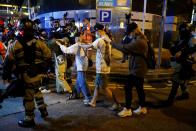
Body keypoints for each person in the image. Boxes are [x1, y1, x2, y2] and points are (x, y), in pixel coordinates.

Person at [2, 18, 52, 127]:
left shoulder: (14, 44)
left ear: (20, 29)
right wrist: (43, 69)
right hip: (39, 75)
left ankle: (29, 118)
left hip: (26, 76)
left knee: (28, 97)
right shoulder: (40, 43)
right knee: (37, 91)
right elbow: (48, 57)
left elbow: (8, 62)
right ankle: (43, 110)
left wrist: (6, 75)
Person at [112, 22, 148, 117]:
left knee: (127, 87)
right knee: (140, 89)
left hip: (137, 69)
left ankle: (128, 109)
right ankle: (142, 107)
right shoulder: (139, 38)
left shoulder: (139, 42)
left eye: (130, 33)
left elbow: (125, 48)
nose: (130, 35)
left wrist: (112, 43)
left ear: (134, 31)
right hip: (139, 68)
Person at [80, 23, 112, 108]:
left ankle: (115, 103)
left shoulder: (100, 40)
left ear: (99, 30)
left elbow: (88, 46)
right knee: (97, 86)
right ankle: (93, 102)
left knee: (104, 88)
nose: (95, 33)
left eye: (95, 31)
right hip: (104, 66)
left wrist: (79, 44)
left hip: (102, 67)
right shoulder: (107, 39)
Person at [165, 22, 196, 106]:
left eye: (181, 30)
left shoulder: (190, 38)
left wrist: (182, 52)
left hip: (184, 63)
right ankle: (185, 94)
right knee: (182, 80)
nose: (180, 32)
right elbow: (178, 45)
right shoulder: (183, 37)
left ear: (185, 29)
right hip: (180, 62)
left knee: (176, 80)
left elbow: (193, 49)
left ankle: (170, 100)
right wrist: (173, 46)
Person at [57, 36, 92, 105]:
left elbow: (66, 50)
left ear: (77, 39)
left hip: (81, 66)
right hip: (84, 64)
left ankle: (89, 98)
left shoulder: (77, 45)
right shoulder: (84, 44)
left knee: (82, 82)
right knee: (79, 81)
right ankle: (76, 94)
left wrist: (61, 45)